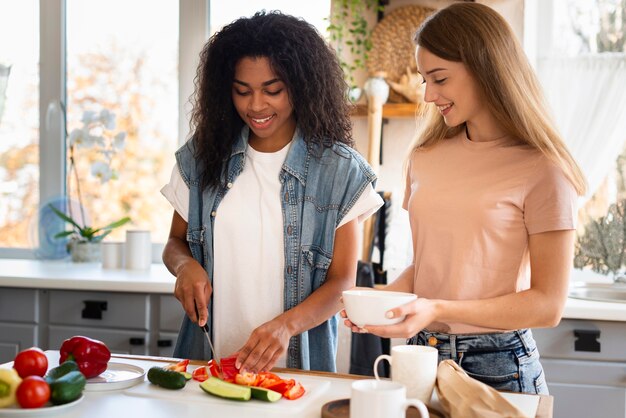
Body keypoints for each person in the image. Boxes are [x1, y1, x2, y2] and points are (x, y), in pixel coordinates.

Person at [342, 3, 586, 394]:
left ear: (486, 68)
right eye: (424, 80)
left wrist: (438, 308)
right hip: (418, 356)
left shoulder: (544, 169)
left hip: (498, 365)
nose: (428, 94)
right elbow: (431, 268)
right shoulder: (425, 156)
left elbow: (548, 304)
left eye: (439, 79)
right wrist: (381, 301)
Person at [161, 11, 383, 373]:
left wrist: (286, 326)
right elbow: (175, 243)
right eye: (242, 91)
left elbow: (343, 280)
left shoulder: (340, 170)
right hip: (208, 362)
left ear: (300, 85)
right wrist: (185, 266)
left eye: (273, 90)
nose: (256, 105)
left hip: (297, 369)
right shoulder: (203, 159)